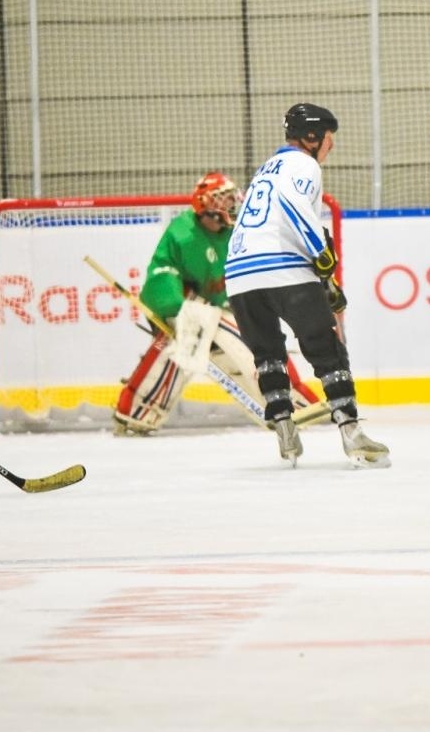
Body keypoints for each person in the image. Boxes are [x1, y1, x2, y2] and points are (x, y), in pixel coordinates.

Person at [224, 104, 388, 468]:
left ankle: (285, 434)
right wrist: (323, 258)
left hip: (238, 275)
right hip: (284, 271)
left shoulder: (265, 168)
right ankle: (351, 431)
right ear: (313, 138)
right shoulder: (304, 164)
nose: (331, 146)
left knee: (268, 356)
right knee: (326, 350)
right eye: (330, 138)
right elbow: (293, 203)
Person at [114, 172, 316, 434]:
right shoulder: (183, 235)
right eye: (224, 200)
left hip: (219, 309)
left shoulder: (235, 233)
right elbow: (162, 274)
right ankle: (137, 412)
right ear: (206, 206)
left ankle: (290, 403)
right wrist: (178, 309)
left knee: (255, 340)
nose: (231, 205)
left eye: (231, 199)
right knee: (179, 347)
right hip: (187, 310)